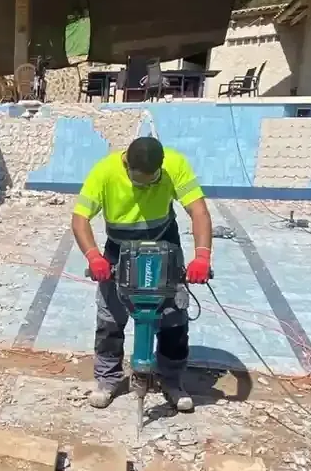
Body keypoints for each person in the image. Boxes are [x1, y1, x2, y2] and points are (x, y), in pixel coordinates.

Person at [71, 135, 212, 411]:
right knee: (110, 318)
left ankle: (171, 379)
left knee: (173, 319)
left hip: (165, 244)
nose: (147, 185)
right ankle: (108, 378)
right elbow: (79, 219)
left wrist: (202, 256)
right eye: (141, 181)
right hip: (120, 249)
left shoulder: (174, 164)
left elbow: (199, 212)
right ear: (127, 166)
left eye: (153, 180)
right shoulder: (104, 171)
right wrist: (94, 257)